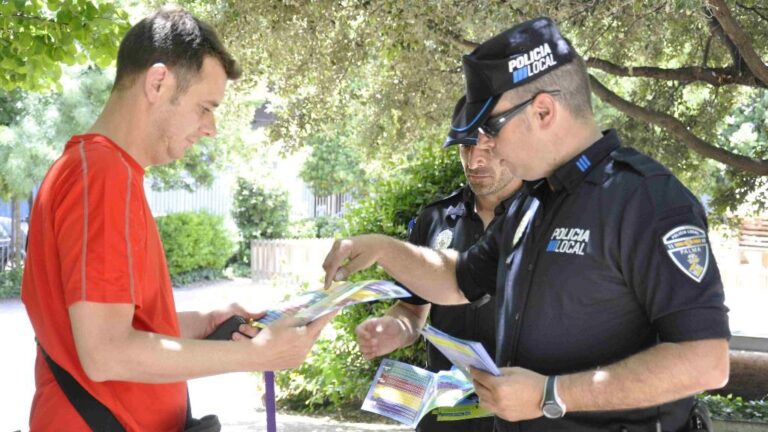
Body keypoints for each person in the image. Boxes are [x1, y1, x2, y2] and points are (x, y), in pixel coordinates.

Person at [323, 17, 730, 432]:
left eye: (492, 128)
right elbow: (457, 279)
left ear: (543, 111)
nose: (487, 146)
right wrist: (380, 248)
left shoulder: (644, 200)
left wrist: (551, 395)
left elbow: (705, 360)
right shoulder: (533, 202)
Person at [21, 6, 332, 431]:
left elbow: (108, 326)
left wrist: (205, 324)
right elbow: (106, 352)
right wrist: (256, 355)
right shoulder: (102, 175)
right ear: (158, 82)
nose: (212, 127)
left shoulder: (95, 170)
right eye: (206, 107)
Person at [355, 131, 522, 431]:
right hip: (445, 415)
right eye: (466, 148)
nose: (474, 160)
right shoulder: (435, 218)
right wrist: (392, 329)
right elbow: (411, 310)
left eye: (488, 147)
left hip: (520, 415)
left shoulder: (544, 217)